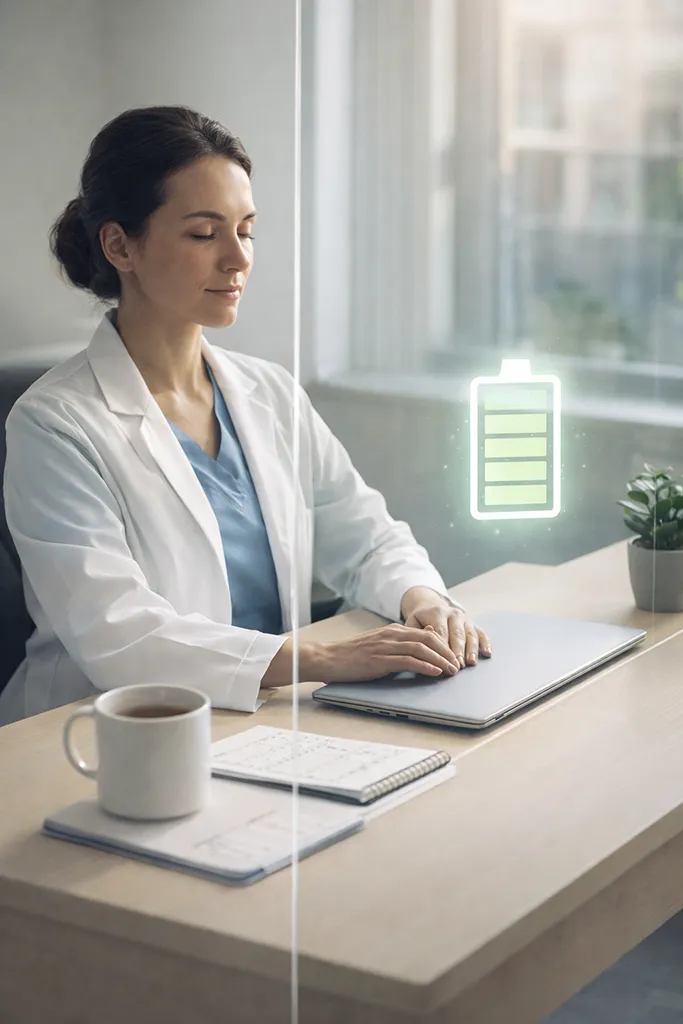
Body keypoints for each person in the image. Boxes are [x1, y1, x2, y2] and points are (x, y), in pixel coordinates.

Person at [0, 106, 490, 726]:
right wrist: (327, 659)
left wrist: (420, 600)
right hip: (96, 732)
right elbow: (117, 632)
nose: (237, 259)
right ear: (120, 244)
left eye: (247, 230)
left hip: (259, 717)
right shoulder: (54, 423)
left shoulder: (270, 393)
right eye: (205, 234)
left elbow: (364, 535)